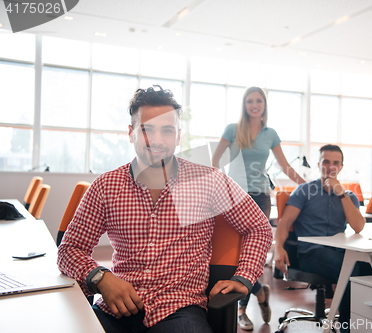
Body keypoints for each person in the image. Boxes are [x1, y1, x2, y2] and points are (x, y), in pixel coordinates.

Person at [57, 85, 273, 333]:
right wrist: (101, 278)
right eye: (147, 129)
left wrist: (244, 277)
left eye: (167, 130)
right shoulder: (106, 186)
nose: (157, 140)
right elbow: (70, 249)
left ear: (178, 135)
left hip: (179, 310)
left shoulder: (208, 180)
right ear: (131, 133)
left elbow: (258, 227)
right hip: (117, 308)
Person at [274, 144, 372, 333]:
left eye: (336, 163)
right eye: (326, 161)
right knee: (352, 270)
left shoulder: (348, 196)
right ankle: (347, 329)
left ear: (341, 167)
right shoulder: (303, 191)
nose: (330, 167)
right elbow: (284, 223)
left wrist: (340, 192)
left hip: (341, 252)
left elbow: (358, 226)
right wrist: (279, 247)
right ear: (318, 164)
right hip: (311, 253)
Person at [212, 86, 306, 330]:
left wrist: (307, 185)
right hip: (233, 197)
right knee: (235, 254)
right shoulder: (232, 129)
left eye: (259, 101)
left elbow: (284, 166)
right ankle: (259, 292)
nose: (254, 105)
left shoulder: (270, 133)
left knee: (251, 253)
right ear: (244, 105)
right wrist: (220, 186)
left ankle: (242, 310)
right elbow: (215, 161)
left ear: (264, 105)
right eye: (250, 101)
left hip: (261, 196)